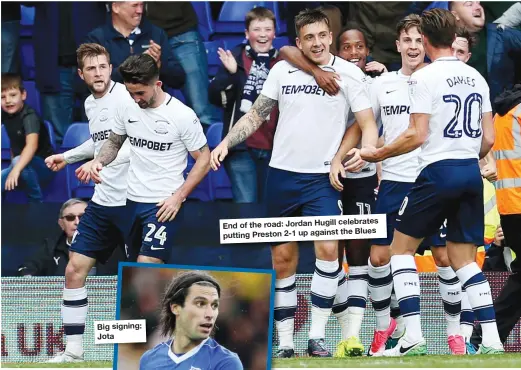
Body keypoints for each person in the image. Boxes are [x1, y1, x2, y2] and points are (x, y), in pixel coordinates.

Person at [210, 8, 378, 358]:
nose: (316, 43)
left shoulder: (348, 73)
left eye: (322, 36)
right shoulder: (282, 69)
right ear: (299, 41)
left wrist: (368, 153)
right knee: (283, 260)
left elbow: (366, 122)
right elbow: (257, 113)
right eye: (309, 38)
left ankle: (316, 336)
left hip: (322, 178)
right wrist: (228, 141)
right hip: (282, 175)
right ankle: (285, 342)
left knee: (329, 250)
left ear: (330, 36)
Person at [361, 8, 504, 356]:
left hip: (437, 172)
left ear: (424, 40)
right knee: (463, 260)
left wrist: (378, 155)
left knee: (400, 250)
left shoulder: (425, 78)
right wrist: (467, 152)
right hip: (470, 172)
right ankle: (492, 340)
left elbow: (416, 134)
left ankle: (412, 336)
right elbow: (488, 138)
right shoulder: (476, 77)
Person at [279, 21, 387, 357]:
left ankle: (351, 336)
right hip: (322, 176)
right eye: (347, 47)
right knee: (329, 257)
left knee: (357, 259)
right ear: (335, 50)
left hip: (359, 178)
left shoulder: (381, 81)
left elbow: (369, 126)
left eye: (359, 47)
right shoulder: (326, 73)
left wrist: (367, 163)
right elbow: (285, 50)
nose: (354, 52)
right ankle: (332, 334)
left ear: (368, 51)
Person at [44, 43, 135, 363]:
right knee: (74, 270)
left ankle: (140, 353)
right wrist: (66, 157)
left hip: (134, 200)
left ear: (111, 68)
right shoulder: (90, 103)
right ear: (81, 75)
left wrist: (100, 164)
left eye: (103, 66)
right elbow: (99, 142)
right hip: (103, 201)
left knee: (141, 279)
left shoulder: (126, 97)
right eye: (91, 69)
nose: (98, 73)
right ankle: (74, 351)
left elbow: (133, 144)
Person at [89, 53, 210, 265]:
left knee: (146, 265)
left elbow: (204, 159)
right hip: (131, 201)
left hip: (163, 203)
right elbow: (115, 142)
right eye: (130, 92)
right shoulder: (127, 107)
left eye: (140, 93)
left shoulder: (182, 115)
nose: (136, 99)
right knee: (134, 272)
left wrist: (178, 197)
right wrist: (99, 161)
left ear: (158, 84)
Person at [208, 6, 280, 204]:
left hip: (276, 147)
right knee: (247, 207)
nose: (263, 35)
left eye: (267, 29)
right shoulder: (236, 58)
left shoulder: (284, 62)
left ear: (275, 33)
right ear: (247, 33)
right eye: (257, 29)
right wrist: (232, 74)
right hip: (242, 147)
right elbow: (215, 98)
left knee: (271, 207)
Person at [139, 271, 243, 369]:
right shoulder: (149, 360)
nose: (210, 314)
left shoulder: (226, 363)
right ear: (176, 308)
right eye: (200, 303)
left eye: (214, 305)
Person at [146, 2, 222, 130]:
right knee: (145, 111)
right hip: (142, 35)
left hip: (180, 31)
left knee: (201, 110)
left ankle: (217, 149)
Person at [84, 1, 185, 92]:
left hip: (149, 108)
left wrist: (158, 65)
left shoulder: (155, 34)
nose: (140, 10)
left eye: (142, 5)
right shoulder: (97, 39)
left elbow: (179, 79)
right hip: (114, 109)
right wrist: (133, 67)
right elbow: (92, 82)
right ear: (116, 8)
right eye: (135, 5)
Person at [1, 73, 55, 202]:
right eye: (2, 97)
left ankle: (37, 203)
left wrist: (15, 170)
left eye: (13, 95)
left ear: (23, 95)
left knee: (18, 161)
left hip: (44, 168)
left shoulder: (29, 116)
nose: (8, 100)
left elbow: (32, 145)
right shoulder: (5, 115)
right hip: (21, 166)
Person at [18, 199, 87, 276]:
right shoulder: (51, 246)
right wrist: (27, 276)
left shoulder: (102, 246)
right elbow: (29, 267)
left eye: (83, 217)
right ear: (61, 224)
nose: (77, 222)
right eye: (70, 218)